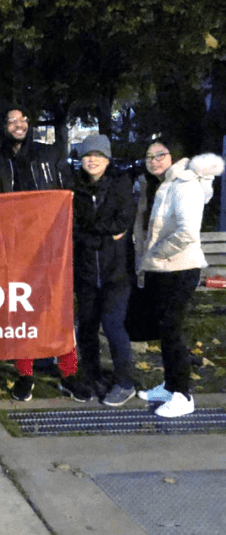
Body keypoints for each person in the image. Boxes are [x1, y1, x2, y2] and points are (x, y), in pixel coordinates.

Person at [0, 105, 87, 402]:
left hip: (51, 248)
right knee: (21, 312)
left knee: (59, 311)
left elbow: (69, 191)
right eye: (12, 120)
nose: (19, 124)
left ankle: (69, 372)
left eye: (23, 119)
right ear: (3, 126)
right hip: (13, 251)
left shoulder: (49, 155)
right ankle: (25, 375)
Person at [133, 139, 224, 417]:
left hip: (179, 269)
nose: (154, 160)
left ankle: (184, 396)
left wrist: (156, 253)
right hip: (163, 269)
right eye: (149, 156)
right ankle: (171, 385)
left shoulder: (185, 185)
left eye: (161, 154)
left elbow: (187, 233)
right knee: (164, 330)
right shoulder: (164, 184)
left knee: (172, 332)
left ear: (176, 156)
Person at [72, 135, 136, 406]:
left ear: (107, 158)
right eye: (88, 155)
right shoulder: (74, 187)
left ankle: (124, 382)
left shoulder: (121, 185)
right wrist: (102, 236)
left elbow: (122, 222)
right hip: (85, 272)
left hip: (116, 273)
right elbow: (72, 227)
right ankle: (92, 375)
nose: (93, 159)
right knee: (86, 328)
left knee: (113, 326)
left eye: (98, 154)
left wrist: (92, 233)